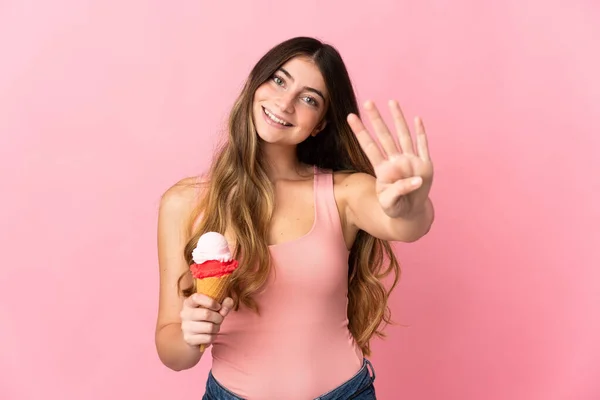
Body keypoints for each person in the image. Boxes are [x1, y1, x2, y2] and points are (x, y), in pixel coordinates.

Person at [155, 36, 434, 400]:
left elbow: (407, 224)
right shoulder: (184, 203)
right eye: (279, 80)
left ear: (320, 124)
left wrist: (411, 203)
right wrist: (191, 337)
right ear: (256, 83)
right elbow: (171, 348)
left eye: (309, 99)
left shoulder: (343, 192)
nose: (284, 103)